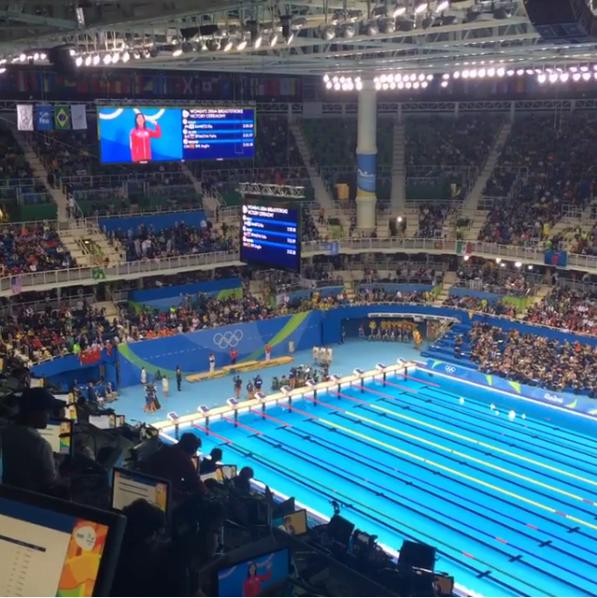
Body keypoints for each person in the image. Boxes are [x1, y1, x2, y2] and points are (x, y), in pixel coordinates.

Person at [0, 387, 63, 493]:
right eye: (47, 411)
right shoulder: (40, 445)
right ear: (35, 413)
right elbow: (51, 481)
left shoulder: (4, 431)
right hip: (30, 500)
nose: (50, 416)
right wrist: (58, 462)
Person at [142, 433, 206, 499]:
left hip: (149, 486)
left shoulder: (165, 449)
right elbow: (196, 483)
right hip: (164, 493)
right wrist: (207, 494)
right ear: (192, 448)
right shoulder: (183, 458)